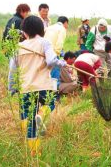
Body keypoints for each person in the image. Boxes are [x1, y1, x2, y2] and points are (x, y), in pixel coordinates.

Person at [8, 16, 66, 156]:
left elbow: (12, 71)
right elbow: (51, 60)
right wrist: (60, 63)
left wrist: (12, 87)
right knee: (50, 103)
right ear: (42, 30)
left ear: (24, 32)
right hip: (43, 85)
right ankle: (42, 112)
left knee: (30, 122)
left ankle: (34, 153)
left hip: (26, 88)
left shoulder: (18, 47)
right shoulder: (44, 42)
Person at [44, 16, 69, 89]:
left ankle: (46, 91)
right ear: (65, 22)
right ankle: (55, 93)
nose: (67, 26)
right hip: (53, 53)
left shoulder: (49, 27)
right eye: (67, 24)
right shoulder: (62, 29)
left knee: (47, 73)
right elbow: (59, 43)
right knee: (55, 74)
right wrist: (56, 55)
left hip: (44, 52)